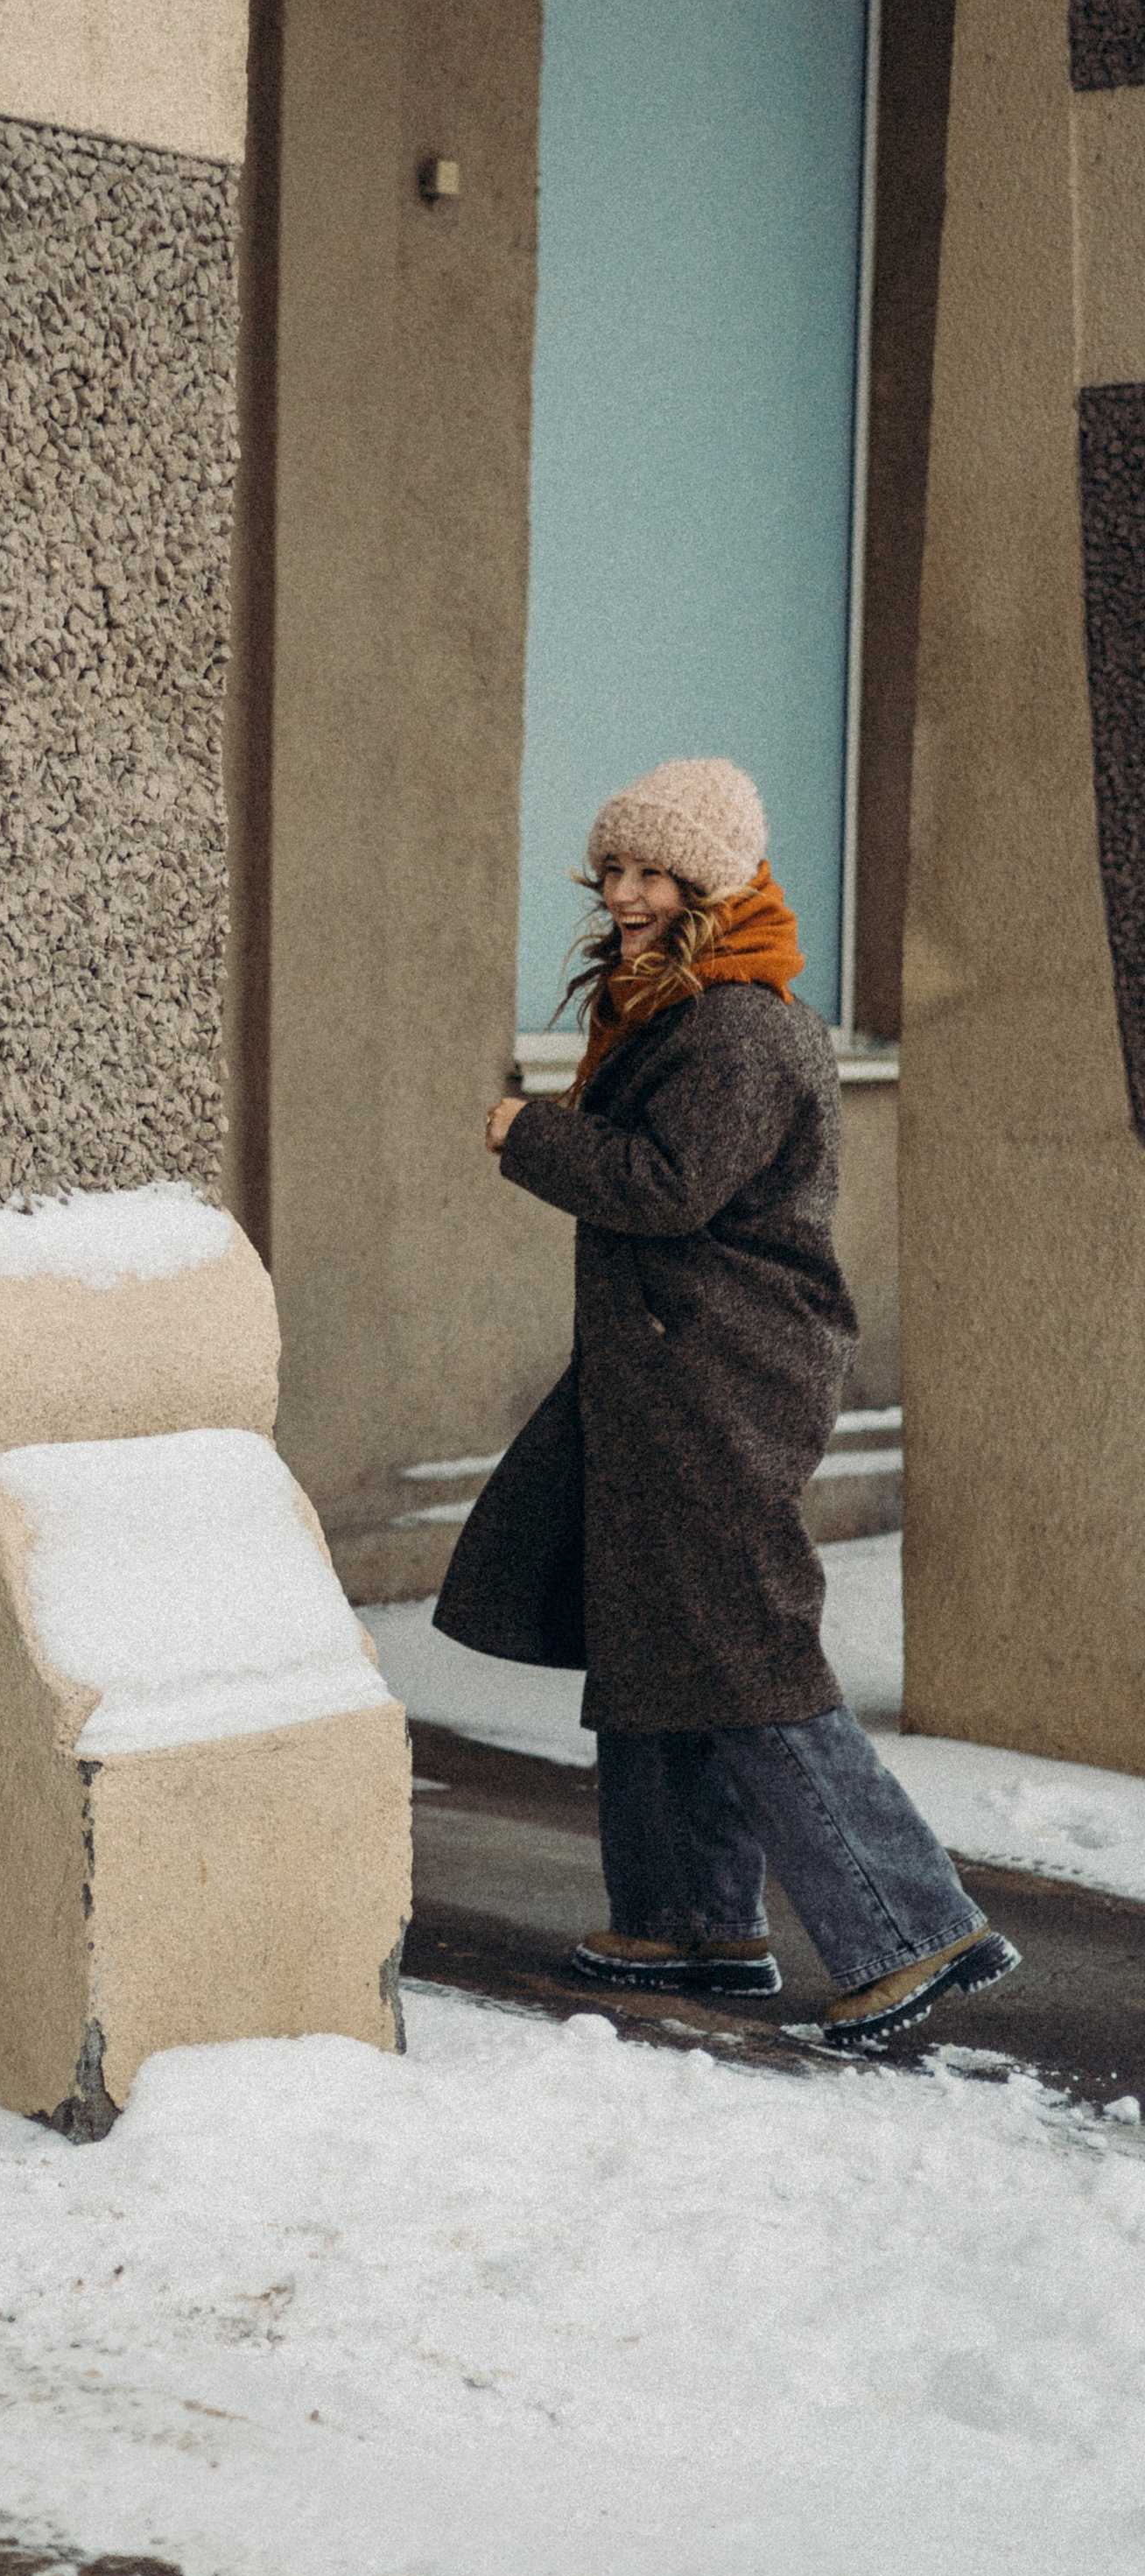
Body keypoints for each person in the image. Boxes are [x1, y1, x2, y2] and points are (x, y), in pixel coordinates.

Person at [435, 755, 1016, 2056]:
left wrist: (526, 1134)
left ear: (712, 883)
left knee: (744, 1649)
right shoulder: (669, 1010)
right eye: (617, 869)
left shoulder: (745, 1025)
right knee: (658, 1629)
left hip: (723, 1383)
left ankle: (907, 1930)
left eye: (653, 872)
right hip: (662, 1371)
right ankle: (691, 1918)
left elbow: (667, 1183)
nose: (626, 893)